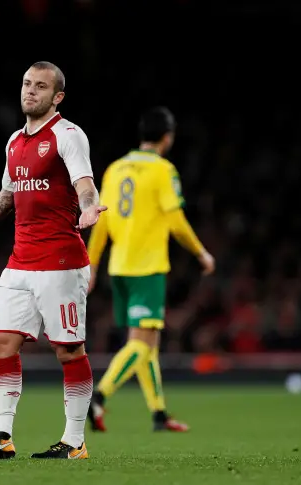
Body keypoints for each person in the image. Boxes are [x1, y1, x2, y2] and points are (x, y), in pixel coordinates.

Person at [0, 61, 105, 460]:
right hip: (20, 262)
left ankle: (75, 441)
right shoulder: (15, 141)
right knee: (1, 342)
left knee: (68, 351)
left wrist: (89, 208)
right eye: (27, 84)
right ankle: (1, 435)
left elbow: (85, 184)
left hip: (61, 262)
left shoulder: (68, 135)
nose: (30, 91)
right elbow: (7, 196)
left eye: (41, 86)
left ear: (57, 96)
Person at [85, 106, 215, 433]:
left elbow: (100, 222)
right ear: (167, 137)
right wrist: (201, 253)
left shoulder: (114, 169)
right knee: (141, 344)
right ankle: (99, 396)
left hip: (119, 267)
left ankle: (159, 414)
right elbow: (175, 220)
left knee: (147, 343)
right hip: (147, 267)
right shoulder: (163, 170)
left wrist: (92, 263)